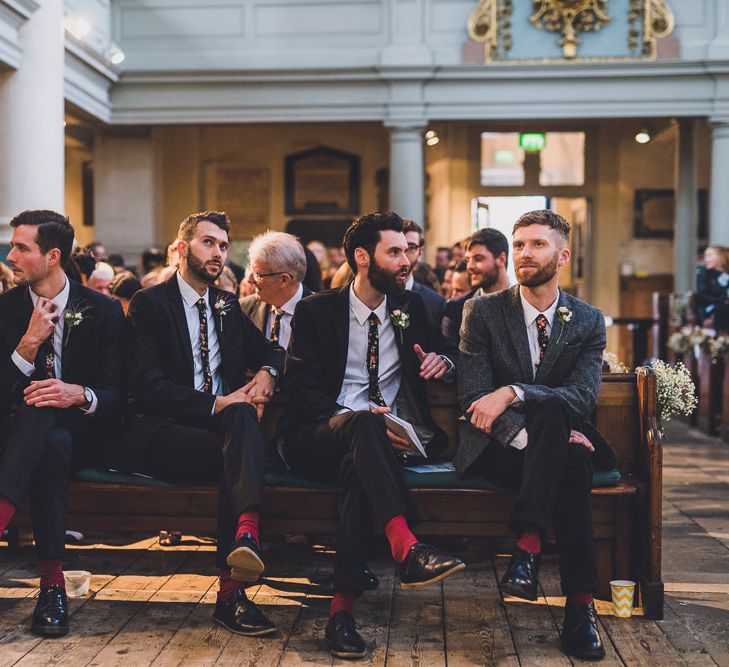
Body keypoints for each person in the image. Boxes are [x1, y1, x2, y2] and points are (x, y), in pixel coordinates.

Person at [281, 211, 465, 659]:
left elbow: (445, 354)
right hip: (317, 436)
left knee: (358, 471)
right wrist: (358, 418)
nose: (407, 262)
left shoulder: (410, 308)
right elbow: (301, 393)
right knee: (363, 423)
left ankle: (341, 615)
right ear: (363, 257)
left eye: (408, 251)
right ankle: (406, 546)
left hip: (375, 448)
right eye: (395, 252)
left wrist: (443, 362)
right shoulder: (316, 311)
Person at [457, 209, 615, 661]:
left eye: (538, 244)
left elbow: (582, 397)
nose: (525, 253)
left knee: (558, 422)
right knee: (568, 454)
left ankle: (528, 548)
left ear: (562, 255)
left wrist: (512, 391)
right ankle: (580, 609)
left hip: (551, 449)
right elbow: (471, 396)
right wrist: (537, 440)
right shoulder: (483, 311)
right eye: (520, 243)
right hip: (499, 449)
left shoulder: (586, 320)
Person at [123, 210, 285, 637]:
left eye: (224, 246)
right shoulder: (150, 304)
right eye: (208, 243)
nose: (219, 253)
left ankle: (244, 542)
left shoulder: (226, 305)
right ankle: (234, 583)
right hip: (164, 432)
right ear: (181, 249)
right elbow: (146, 388)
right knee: (237, 431)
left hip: (221, 436)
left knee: (238, 425)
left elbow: (271, 351)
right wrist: (217, 403)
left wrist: (267, 373)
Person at [0, 209, 124, 637]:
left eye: (21, 247)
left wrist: (78, 393)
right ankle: (52, 587)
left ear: (52, 256)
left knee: (52, 421)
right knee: (47, 434)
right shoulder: (6, 309)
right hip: (16, 436)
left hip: (87, 434)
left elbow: (120, 393)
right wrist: (27, 345)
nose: (11, 255)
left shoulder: (104, 310)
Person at [442, 229, 511, 352]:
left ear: (501, 259)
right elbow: (451, 354)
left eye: (478, 259)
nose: (470, 266)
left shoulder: (525, 303)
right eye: (468, 260)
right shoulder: (456, 308)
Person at [240, 231, 311, 349]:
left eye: (257, 274)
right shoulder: (243, 309)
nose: (250, 280)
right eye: (250, 271)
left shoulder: (321, 314)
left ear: (284, 280)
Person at [402, 220, 447, 328]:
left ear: (420, 252)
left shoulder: (435, 302)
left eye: (410, 247)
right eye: (395, 249)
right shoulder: (375, 296)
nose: (403, 255)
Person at [695, 245, 729, 332]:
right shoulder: (704, 273)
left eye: (709, 255)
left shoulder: (725, 273)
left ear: (721, 256)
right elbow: (702, 295)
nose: (706, 260)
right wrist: (723, 300)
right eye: (705, 256)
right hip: (710, 309)